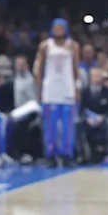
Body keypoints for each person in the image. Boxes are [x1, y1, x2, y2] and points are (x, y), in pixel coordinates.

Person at [33, 18, 80, 166]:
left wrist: (77, 87)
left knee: (68, 125)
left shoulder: (73, 46)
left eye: (61, 27)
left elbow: (75, 68)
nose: (59, 30)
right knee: (50, 124)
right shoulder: (45, 46)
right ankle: (51, 154)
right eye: (56, 27)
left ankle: (67, 154)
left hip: (67, 87)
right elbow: (39, 68)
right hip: (50, 88)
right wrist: (38, 88)